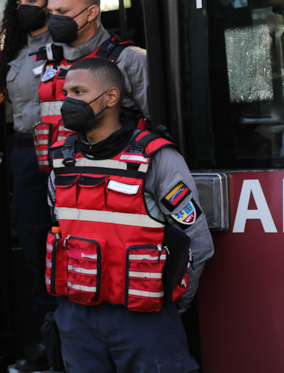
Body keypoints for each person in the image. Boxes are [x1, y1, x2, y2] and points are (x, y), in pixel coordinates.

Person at [46, 58, 214, 372]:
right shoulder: (60, 160)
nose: (68, 101)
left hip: (144, 320)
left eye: (79, 92)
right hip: (76, 320)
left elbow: (197, 243)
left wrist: (174, 305)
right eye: (67, 92)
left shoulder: (157, 157)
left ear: (111, 97)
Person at [0, 0, 57, 372]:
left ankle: (76, 341)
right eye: (18, 2)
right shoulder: (14, 51)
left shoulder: (72, 44)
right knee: (34, 243)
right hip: (24, 151)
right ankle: (49, 343)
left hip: (64, 150)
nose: (24, 7)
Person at [34, 0, 151, 172]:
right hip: (62, 178)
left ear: (91, 13)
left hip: (117, 176)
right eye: (51, 12)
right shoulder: (51, 62)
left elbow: (161, 124)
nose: (53, 20)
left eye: (62, 12)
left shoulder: (130, 59)